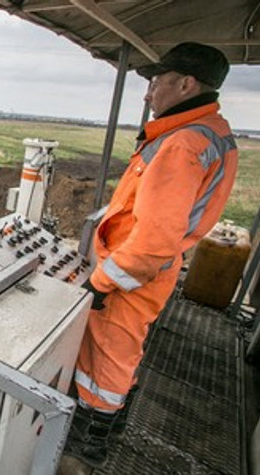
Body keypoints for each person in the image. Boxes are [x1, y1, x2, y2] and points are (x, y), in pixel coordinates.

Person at [59, 42, 239, 474]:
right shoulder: (214, 134)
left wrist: (101, 282)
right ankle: (105, 432)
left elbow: (155, 240)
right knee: (120, 359)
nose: (147, 93)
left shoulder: (182, 145)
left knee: (104, 366)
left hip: (131, 278)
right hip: (148, 272)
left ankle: (84, 452)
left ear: (185, 83)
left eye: (155, 82)